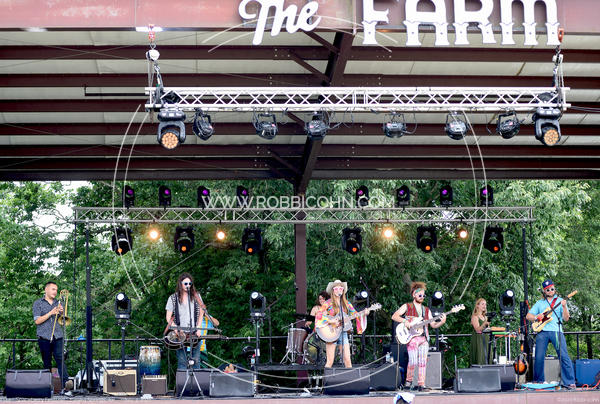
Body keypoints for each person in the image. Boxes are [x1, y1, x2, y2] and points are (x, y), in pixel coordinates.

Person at [391, 282, 446, 391]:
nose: (422, 297)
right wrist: (406, 321)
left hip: (423, 338)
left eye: (423, 295)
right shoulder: (407, 306)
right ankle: (408, 382)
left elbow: (433, 325)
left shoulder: (426, 310)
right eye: (420, 295)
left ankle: (421, 384)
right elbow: (394, 316)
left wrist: (442, 322)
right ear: (414, 295)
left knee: (423, 362)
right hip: (412, 338)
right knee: (413, 361)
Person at [526, 279, 576, 389]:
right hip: (542, 332)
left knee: (563, 356)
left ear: (554, 289)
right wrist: (536, 317)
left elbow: (566, 318)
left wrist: (564, 307)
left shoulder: (561, 301)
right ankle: (539, 381)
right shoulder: (539, 303)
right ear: (544, 291)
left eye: (552, 289)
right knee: (539, 357)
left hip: (556, 331)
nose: (550, 291)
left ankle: (569, 382)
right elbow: (528, 316)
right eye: (547, 290)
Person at [316, 280, 368, 368]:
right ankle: (326, 377)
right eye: (336, 289)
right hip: (331, 332)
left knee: (348, 360)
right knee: (330, 361)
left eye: (340, 288)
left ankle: (350, 377)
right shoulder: (328, 303)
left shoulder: (346, 303)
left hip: (343, 332)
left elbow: (355, 314)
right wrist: (331, 321)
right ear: (333, 291)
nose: (338, 290)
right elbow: (318, 315)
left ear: (343, 291)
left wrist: (363, 313)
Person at [32, 281, 71, 389]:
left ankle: (66, 384)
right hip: (44, 336)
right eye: (53, 289)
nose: (55, 292)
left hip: (58, 335)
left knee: (60, 358)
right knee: (47, 362)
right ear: (46, 290)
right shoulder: (38, 303)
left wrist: (62, 313)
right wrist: (51, 313)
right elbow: (37, 321)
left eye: (56, 290)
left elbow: (62, 321)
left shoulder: (59, 303)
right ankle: (47, 387)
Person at [165, 273, 206, 370]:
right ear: (180, 284)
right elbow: (168, 317)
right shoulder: (173, 298)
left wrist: (198, 328)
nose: (188, 285)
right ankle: (182, 380)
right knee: (182, 361)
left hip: (194, 332)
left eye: (190, 283)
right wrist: (176, 329)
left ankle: (196, 380)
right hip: (180, 333)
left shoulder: (196, 296)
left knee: (196, 360)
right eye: (185, 283)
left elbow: (202, 313)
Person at [470, 298, 490, 365]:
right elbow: (477, 329)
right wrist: (484, 324)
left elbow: (487, 328)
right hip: (478, 339)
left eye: (485, 304)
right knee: (480, 356)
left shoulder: (485, 317)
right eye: (482, 304)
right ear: (477, 306)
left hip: (486, 338)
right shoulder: (475, 316)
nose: (484, 306)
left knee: (487, 355)